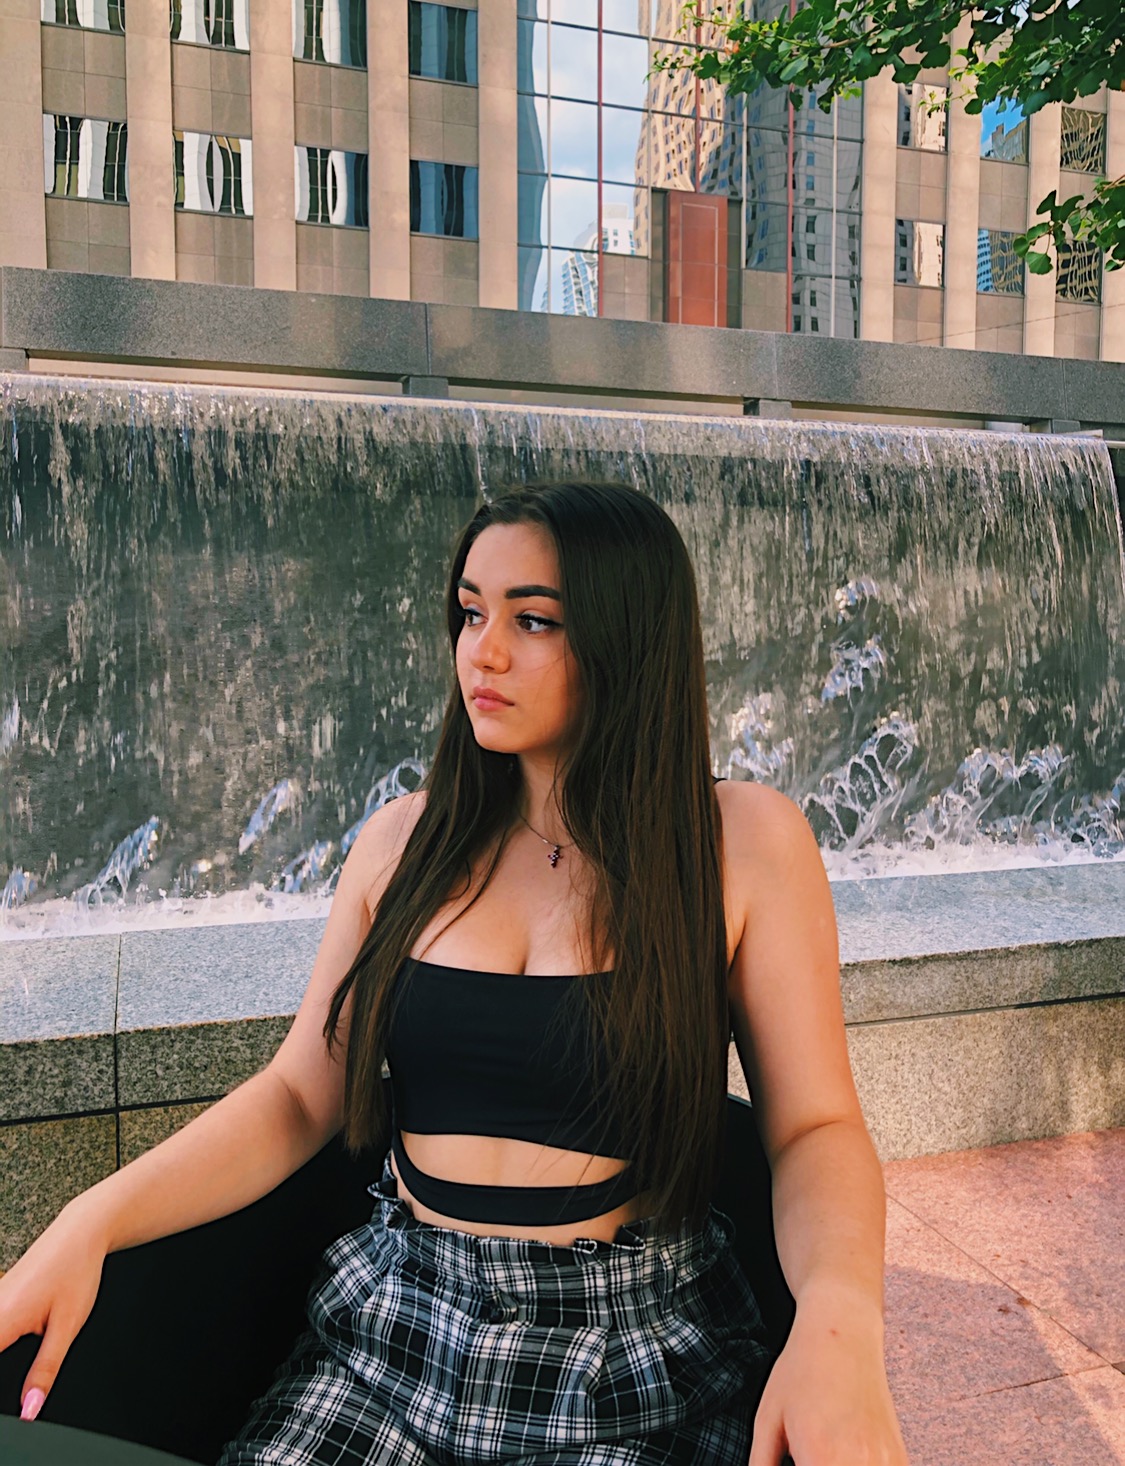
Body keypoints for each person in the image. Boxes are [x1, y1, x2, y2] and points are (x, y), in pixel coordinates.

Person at [0, 480, 909, 1466]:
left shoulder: (741, 841)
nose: (483, 650)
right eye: (472, 612)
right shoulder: (402, 842)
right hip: (394, 1332)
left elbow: (815, 1126)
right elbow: (299, 1093)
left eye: (533, 619)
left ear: (626, 634)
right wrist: (92, 1217)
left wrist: (843, 1318)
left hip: (624, 1359)